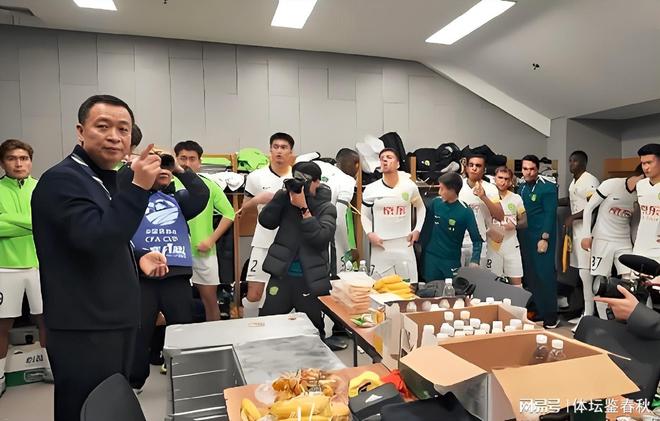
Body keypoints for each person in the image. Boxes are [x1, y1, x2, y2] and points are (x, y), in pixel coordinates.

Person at [31, 95, 168, 421]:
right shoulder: (63, 179)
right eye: (103, 126)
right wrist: (139, 189)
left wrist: (137, 256)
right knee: (86, 409)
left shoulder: (102, 179)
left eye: (123, 129)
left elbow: (99, 234)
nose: (114, 137)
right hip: (85, 326)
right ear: (81, 131)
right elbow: (98, 240)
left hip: (112, 322)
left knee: (109, 407)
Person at [121, 147, 209, 392]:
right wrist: (138, 165)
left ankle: (186, 376)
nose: (163, 170)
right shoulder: (131, 198)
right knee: (139, 330)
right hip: (141, 276)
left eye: (165, 167)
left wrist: (178, 168)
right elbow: (119, 184)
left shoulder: (178, 200)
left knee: (182, 329)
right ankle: (134, 381)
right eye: (157, 166)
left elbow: (201, 194)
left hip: (176, 274)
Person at [258, 161, 336, 337]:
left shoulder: (326, 207)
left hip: (309, 279)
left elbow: (321, 238)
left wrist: (304, 208)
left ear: (317, 182)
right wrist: (280, 197)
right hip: (282, 275)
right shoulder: (286, 200)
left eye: (305, 181)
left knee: (313, 332)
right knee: (268, 327)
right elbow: (266, 222)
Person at [0, 139, 50, 397]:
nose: (19, 163)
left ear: (30, 161)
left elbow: (51, 221)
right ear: (3, 163)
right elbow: (40, 222)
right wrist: (33, 223)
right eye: (12, 158)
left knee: (47, 320)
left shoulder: (42, 188)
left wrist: (7, 221)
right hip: (5, 267)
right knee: (2, 325)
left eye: (24, 158)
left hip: (41, 266)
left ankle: (50, 367)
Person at [174, 140, 235, 321]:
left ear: (199, 162)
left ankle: (213, 337)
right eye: (182, 158)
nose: (187, 163)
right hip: (174, 253)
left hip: (203, 252)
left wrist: (211, 240)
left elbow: (229, 214)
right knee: (176, 303)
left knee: (210, 301)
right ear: (176, 159)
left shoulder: (209, 185)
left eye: (192, 159)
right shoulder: (166, 182)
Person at [239, 133, 293, 318]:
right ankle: (249, 328)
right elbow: (243, 208)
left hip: (290, 243)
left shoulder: (297, 175)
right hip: (263, 241)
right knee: (254, 294)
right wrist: (258, 199)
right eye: (275, 147)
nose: (279, 151)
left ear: (290, 152)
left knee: (288, 294)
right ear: (270, 150)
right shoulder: (256, 177)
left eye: (284, 147)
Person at [361, 148, 425, 283]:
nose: (385, 159)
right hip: (381, 246)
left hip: (404, 244)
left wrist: (417, 229)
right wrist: (369, 233)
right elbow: (364, 215)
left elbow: (421, 208)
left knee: (409, 287)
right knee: (381, 288)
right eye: (382, 158)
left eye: (389, 157)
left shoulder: (409, 186)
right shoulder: (371, 189)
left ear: (398, 164)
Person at [581, 165, 644, 285]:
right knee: (601, 282)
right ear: (641, 176)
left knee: (630, 278)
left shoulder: (640, 195)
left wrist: (637, 245)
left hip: (624, 241)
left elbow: (635, 224)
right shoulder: (611, 184)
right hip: (602, 239)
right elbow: (589, 208)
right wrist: (586, 235)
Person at [517, 154, 559, 328]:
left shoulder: (547, 187)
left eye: (532, 169)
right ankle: (540, 311)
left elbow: (550, 214)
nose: (528, 172)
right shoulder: (521, 188)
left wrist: (545, 238)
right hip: (525, 237)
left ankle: (551, 315)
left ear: (537, 169)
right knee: (531, 276)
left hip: (541, 238)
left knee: (545, 275)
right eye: (525, 169)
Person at [559, 151, 600, 326]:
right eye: (570, 160)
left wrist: (572, 217)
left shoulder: (590, 180)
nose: (571, 164)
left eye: (575, 161)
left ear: (583, 163)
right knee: (579, 274)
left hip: (586, 232)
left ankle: (589, 314)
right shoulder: (574, 181)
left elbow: (594, 206)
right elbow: (571, 200)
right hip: (575, 233)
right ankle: (584, 311)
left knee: (586, 275)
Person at [421, 172, 482, 280]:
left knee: (451, 289)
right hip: (431, 259)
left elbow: (477, 240)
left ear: (452, 190)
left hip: (451, 261)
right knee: (429, 288)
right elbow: (422, 223)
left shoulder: (465, 211)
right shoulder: (435, 203)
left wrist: (475, 260)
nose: (439, 192)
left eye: (442, 189)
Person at [459, 154, 504, 267]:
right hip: (458, 242)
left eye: (478, 166)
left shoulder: (491, 188)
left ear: (484, 170)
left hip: (481, 243)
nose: (474, 168)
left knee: (478, 277)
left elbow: (500, 216)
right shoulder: (458, 186)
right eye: (471, 165)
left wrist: (483, 197)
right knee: (457, 277)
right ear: (466, 168)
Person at [486, 166, 527, 286]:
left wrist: (514, 225)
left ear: (510, 181)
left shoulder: (516, 198)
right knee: (493, 284)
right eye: (500, 178)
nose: (503, 181)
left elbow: (525, 221)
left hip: (511, 246)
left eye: (506, 179)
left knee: (517, 284)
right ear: (494, 178)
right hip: (493, 247)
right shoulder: (487, 197)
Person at [633, 143, 660, 262]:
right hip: (640, 247)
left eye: (649, 162)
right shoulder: (640, 185)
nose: (645, 167)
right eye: (643, 163)